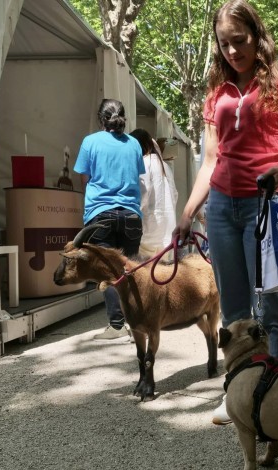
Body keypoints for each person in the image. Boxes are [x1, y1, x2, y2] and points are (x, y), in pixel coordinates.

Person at [172, 0, 278, 425]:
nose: (232, 51)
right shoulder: (215, 94)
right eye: (224, 43)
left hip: (267, 205)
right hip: (222, 209)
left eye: (240, 40)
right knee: (232, 311)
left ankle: (271, 390)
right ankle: (236, 391)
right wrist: (187, 210)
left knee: (268, 308)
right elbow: (210, 161)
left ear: (256, 36)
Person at [74, 99, 145, 341]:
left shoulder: (90, 142)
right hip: (131, 214)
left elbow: (84, 179)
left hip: (100, 214)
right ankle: (137, 324)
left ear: (100, 119)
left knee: (109, 271)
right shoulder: (134, 144)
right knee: (130, 269)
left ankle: (116, 326)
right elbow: (137, 177)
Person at [129, 128, 178, 260]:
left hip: (149, 231)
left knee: (146, 274)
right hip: (167, 228)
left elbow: (142, 193)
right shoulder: (165, 166)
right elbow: (175, 195)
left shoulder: (144, 163)